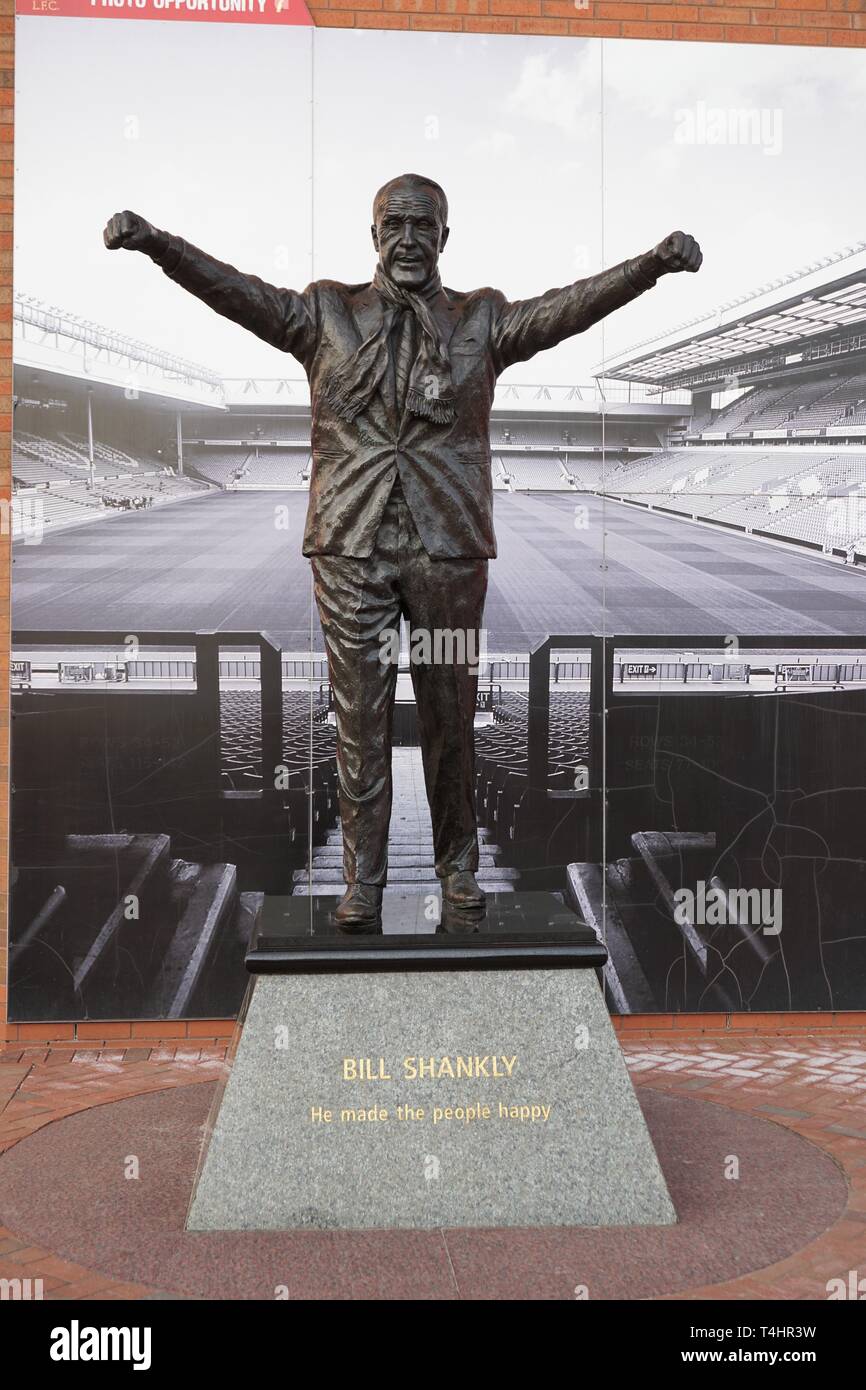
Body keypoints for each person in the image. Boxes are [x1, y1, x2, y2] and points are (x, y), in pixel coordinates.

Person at [104, 175, 701, 931]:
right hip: (350, 547)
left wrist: (648, 265)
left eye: (426, 226)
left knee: (451, 716)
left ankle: (457, 873)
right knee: (359, 720)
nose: (410, 239)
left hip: (446, 547)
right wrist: (159, 245)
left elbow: (565, 310)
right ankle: (363, 882)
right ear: (374, 233)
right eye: (395, 224)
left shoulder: (482, 318)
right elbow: (235, 292)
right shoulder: (325, 310)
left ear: (446, 238)